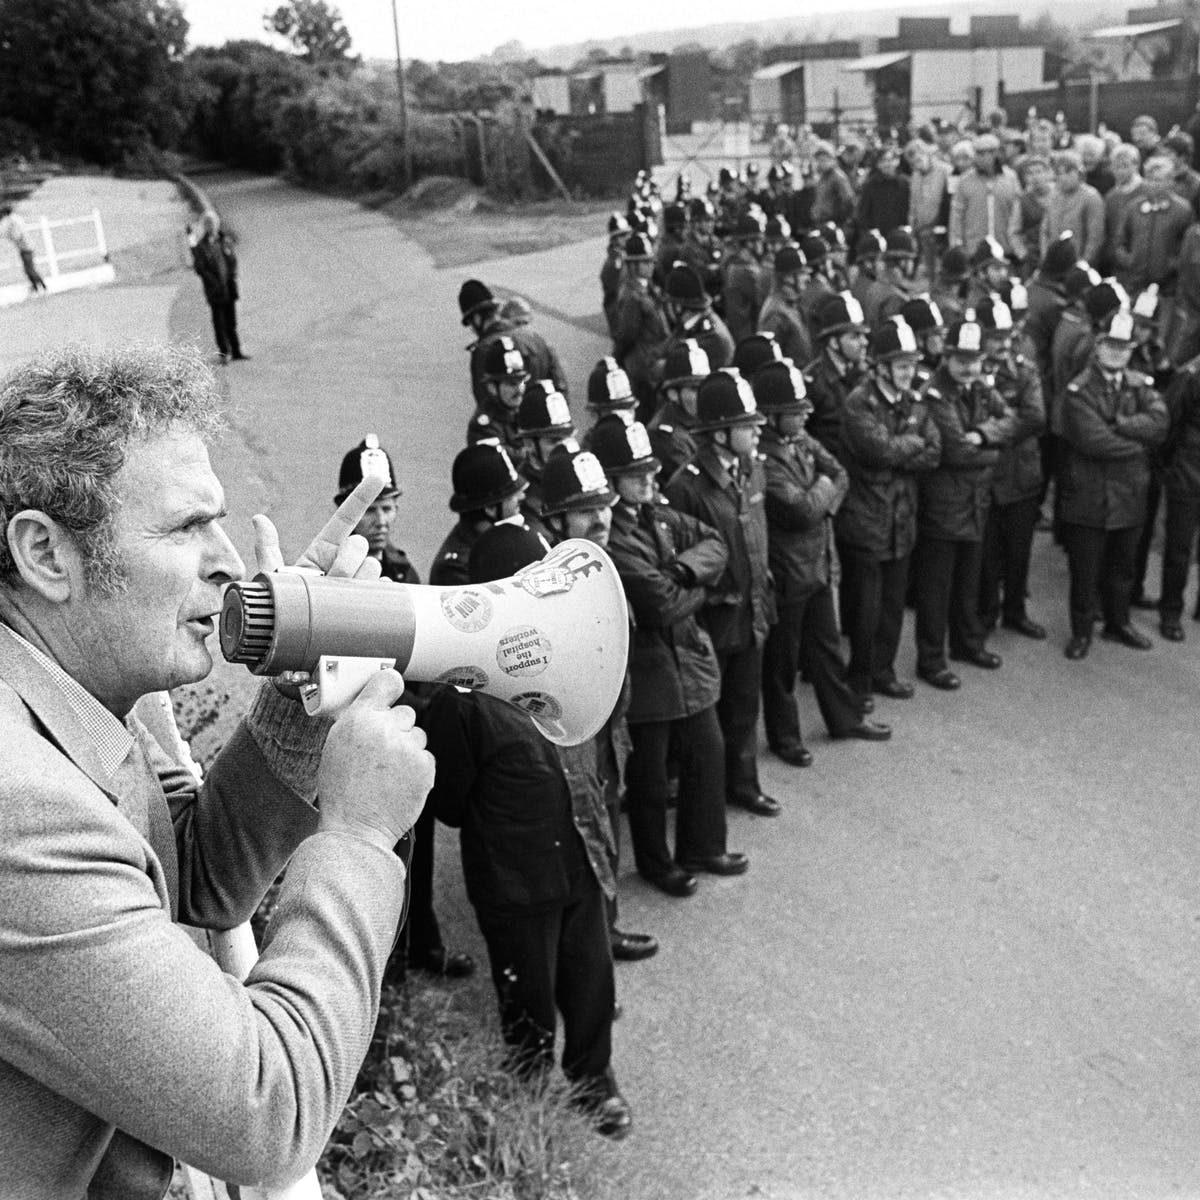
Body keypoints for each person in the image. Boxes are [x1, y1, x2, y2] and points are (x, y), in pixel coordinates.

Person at [0, 342, 433, 1194]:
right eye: (188, 526)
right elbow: (271, 1110)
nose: (230, 561)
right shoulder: (18, 808)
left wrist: (294, 694)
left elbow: (192, 878)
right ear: (47, 555)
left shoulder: (80, 692)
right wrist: (358, 833)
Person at [419, 523, 632, 1140]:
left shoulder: (572, 662)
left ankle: (596, 1082)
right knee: (528, 1007)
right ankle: (528, 1106)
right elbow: (451, 802)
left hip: (579, 865)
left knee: (591, 985)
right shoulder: (463, 701)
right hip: (516, 885)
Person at [333, 435, 475, 984]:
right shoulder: (335, 580)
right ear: (345, 507)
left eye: (389, 506)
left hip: (409, 732)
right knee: (376, 860)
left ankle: (422, 945)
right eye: (370, 507)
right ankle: (384, 973)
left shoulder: (400, 567)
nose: (383, 519)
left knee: (420, 850)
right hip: (365, 742)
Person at [590, 417, 749, 892]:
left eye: (650, 471)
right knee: (650, 778)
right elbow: (658, 604)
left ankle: (704, 846)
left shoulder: (655, 513)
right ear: (613, 481)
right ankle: (657, 863)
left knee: (708, 752)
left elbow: (715, 543)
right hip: (648, 667)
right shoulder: (614, 534)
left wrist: (682, 569)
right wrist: (698, 586)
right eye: (636, 474)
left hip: (686, 658)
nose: (649, 480)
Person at [538, 448, 658, 961]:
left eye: (604, 504)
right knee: (585, 837)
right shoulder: (542, 581)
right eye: (588, 510)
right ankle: (593, 950)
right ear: (559, 518)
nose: (603, 516)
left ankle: (601, 932)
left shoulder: (597, 567)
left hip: (609, 724)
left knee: (605, 822)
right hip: (573, 735)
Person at [755, 359, 891, 760]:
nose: (801, 419)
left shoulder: (799, 441)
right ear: (772, 416)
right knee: (782, 663)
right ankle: (785, 737)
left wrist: (821, 496)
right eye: (794, 413)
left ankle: (843, 717)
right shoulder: (767, 457)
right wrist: (824, 494)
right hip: (787, 570)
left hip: (814, 562)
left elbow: (838, 471)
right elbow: (799, 510)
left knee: (828, 648)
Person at [665, 369, 779, 818]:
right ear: (720, 432)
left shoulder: (753, 469)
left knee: (744, 706)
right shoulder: (686, 486)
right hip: (712, 617)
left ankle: (744, 784)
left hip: (750, 608)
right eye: (747, 425)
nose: (756, 431)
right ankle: (697, 792)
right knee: (705, 719)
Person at [837, 317, 942, 701]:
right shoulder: (858, 404)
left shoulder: (914, 400)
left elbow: (934, 451)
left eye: (911, 365)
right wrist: (908, 445)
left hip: (901, 519)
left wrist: (902, 448)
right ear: (880, 366)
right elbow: (878, 453)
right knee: (866, 612)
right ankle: (859, 683)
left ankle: (883, 671)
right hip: (866, 521)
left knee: (893, 605)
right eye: (900, 366)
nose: (908, 373)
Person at [1059, 307, 1169, 659]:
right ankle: (1081, 632)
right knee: (1085, 569)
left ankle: (1118, 623)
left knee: (1123, 567)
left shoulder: (1141, 385)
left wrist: (1120, 425)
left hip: (1128, 494)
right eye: (1111, 345)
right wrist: (1138, 445)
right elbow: (1092, 440)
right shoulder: (1078, 390)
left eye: (1124, 347)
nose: (1117, 352)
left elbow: (1160, 425)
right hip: (1090, 493)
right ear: (1098, 345)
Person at [914, 314, 1016, 690]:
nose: (969, 366)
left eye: (974, 360)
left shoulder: (980, 387)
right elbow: (955, 450)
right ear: (947, 357)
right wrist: (992, 449)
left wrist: (983, 435)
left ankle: (966, 643)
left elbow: (1012, 420)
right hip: (944, 503)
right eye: (961, 359)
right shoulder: (935, 393)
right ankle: (931, 658)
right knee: (936, 587)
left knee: (968, 581)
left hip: (974, 502)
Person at [973, 298, 1048, 639]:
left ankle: (1015, 611)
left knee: (1019, 552)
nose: (1003, 345)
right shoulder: (972, 372)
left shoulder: (1025, 371)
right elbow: (971, 419)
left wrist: (993, 430)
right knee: (987, 556)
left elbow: (1036, 418)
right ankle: (986, 613)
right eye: (995, 337)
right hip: (987, 477)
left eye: (1007, 336)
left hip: (1021, 476)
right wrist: (1004, 422)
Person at [432, 440, 529, 588]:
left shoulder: (505, 538)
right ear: (490, 508)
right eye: (511, 495)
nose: (522, 497)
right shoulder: (455, 571)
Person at [1159, 353, 1200, 638]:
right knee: (1179, 546)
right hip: (1188, 469)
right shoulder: (1191, 375)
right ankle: (1171, 611)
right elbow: (1171, 418)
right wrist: (1168, 463)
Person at [948, 133, 1021, 258]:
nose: (980, 158)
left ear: (995, 154)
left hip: (1005, 247)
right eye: (978, 154)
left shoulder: (1010, 178)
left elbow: (1017, 212)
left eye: (984, 154)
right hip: (974, 248)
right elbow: (956, 215)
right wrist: (957, 244)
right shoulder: (965, 180)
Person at [190, 210, 247, 363]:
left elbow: (232, 260)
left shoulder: (224, 240)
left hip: (228, 286)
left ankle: (236, 351)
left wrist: (232, 276)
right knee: (219, 322)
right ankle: (224, 353)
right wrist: (214, 282)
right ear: (204, 226)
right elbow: (200, 268)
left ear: (217, 224)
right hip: (214, 289)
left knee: (231, 321)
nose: (211, 227)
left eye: (213, 223)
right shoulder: (201, 247)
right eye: (208, 224)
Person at [467, 336, 528, 464]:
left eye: (521, 381)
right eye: (511, 384)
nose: (519, 389)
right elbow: (497, 461)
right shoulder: (483, 426)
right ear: (492, 388)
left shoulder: (529, 411)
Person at [756, 241, 812, 367]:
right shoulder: (776, 313)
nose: (808, 278)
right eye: (802, 273)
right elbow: (770, 362)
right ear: (788, 278)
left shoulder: (791, 304)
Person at [0, 202, 46, 292]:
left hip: (26, 248)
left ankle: (42, 286)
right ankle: (36, 286)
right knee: (28, 269)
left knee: (29, 269)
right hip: (24, 247)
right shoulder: (13, 219)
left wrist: (8, 236)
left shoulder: (12, 221)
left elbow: (16, 235)